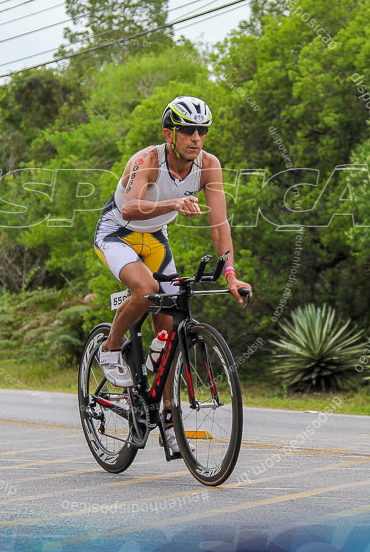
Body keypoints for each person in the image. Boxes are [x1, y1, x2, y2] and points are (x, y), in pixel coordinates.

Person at [93, 95, 253, 455]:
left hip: (155, 240)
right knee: (148, 289)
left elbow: (219, 223)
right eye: (188, 131)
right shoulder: (147, 160)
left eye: (203, 131)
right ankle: (110, 347)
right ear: (170, 134)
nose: (197, 138)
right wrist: (173, 203)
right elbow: (131, 208)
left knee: (168, 330)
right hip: (118, 232)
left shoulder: (209, 166)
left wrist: (230, 275)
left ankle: (167, 420)